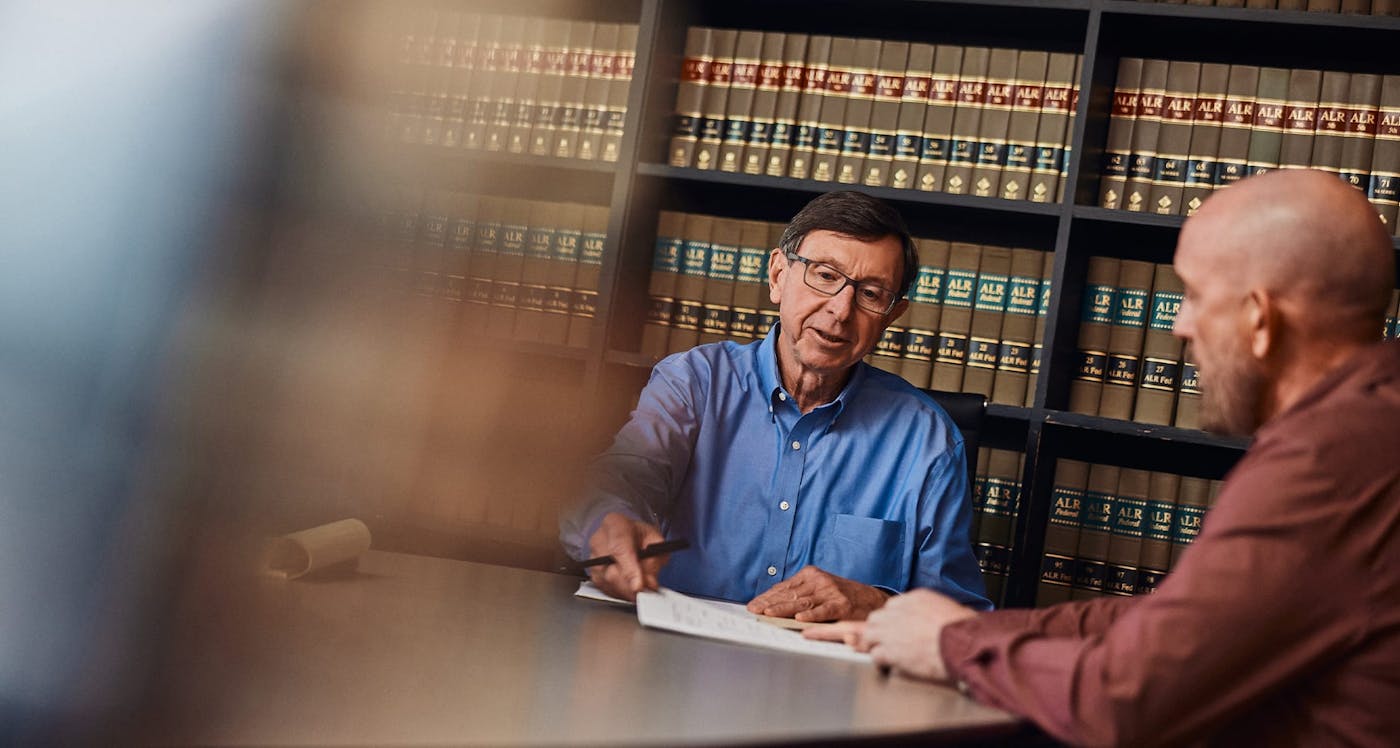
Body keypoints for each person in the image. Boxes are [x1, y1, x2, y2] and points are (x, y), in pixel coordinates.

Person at [808, 169, 1400, 745]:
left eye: (1194, 294)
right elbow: (1176, 623)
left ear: (1259, 319)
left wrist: (952, 646)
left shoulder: (1330, 461)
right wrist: (966, 632)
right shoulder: (1367, 429)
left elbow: (1127, 699)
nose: (1178, 324)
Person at [560, 191, 990, 621]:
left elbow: (960, 617)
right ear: (779, 275)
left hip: (831, 683)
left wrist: (875, 604)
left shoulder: (927, 441)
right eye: (824, 275)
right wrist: (608, 520)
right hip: (671, 659)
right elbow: (622, 477)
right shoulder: (694, 383)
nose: (841, 310)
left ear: (892, 316)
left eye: (871, 294)